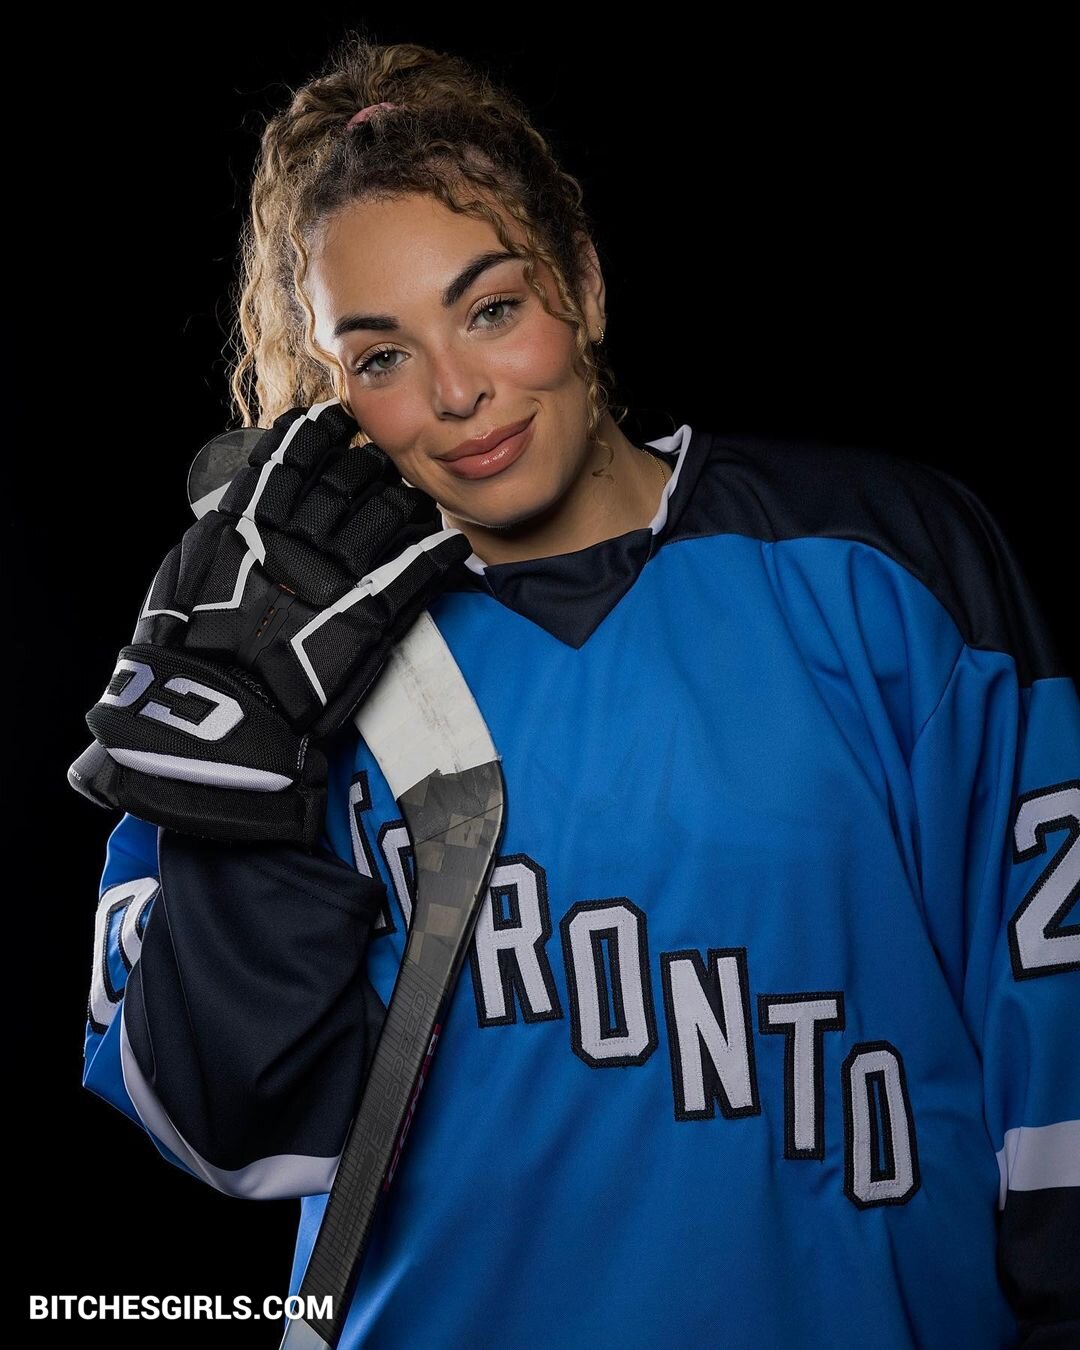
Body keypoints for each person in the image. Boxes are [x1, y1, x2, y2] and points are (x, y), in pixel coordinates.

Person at [72, 30, 1078, 1350]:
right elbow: (221, 1127)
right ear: (330, 394)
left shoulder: (883, 564)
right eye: (379, 357)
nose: (457, 391)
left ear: (585, 285)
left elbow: (1055, 1017)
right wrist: (247, 787)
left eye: (492, 307)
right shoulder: (279, 663)